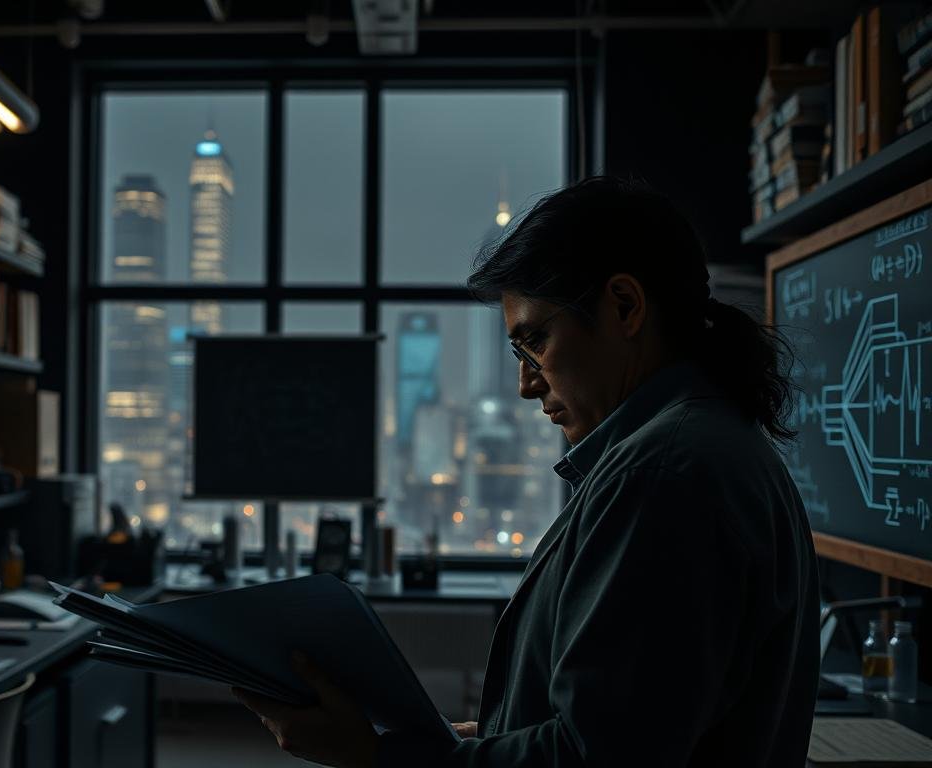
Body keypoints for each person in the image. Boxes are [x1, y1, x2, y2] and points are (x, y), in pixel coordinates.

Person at [234, 176, 820, 767]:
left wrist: (375, 758)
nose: (525, 384)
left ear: (624, 306)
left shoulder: (664, 475)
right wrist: (477, 743)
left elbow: (593, 760)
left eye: (535, 341)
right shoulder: (700, 448)